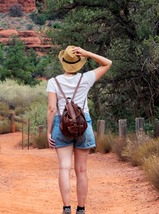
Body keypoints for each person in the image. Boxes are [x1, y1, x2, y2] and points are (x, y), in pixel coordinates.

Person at [47, 45, 112, 214]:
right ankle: (81, 209)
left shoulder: (53, 82)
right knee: (81, 170)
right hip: (84, 125)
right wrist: (87, 53)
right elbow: (107, 63)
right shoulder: (86, 78)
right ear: (79, 63)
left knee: (64, 168)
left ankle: (66, 208)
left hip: (61, 125)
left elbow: (52, 109)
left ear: (63, 62)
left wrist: (48, 132)